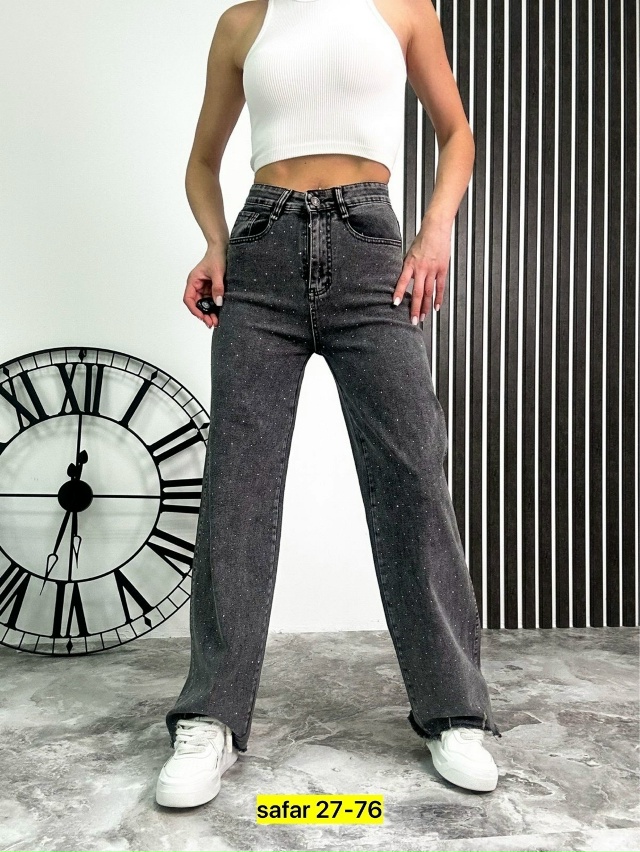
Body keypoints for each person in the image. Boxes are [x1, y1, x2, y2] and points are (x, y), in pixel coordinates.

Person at [155, 0, 502, 809]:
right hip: (261, 254)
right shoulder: (243, 22)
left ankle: (454, 712)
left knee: (413, 477)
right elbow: (201, 161)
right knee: (238, 489)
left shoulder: (403, 10)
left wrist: (436, 231)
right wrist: (215, 243)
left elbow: (458, 133)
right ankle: (209, 717)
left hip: (370, 248)